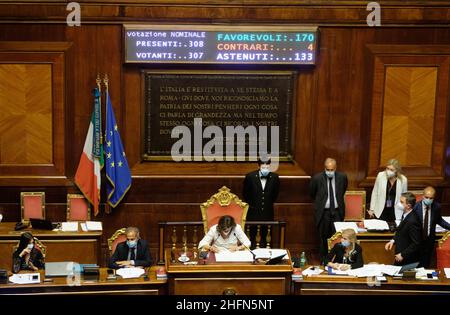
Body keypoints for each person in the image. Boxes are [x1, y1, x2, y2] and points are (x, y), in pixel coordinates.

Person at [310, 158, 348, 263]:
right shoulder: (317, 178)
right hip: (323, 212)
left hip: (337, 211)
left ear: (335, 168)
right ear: (324, 168)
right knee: (323, 237)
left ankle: (336, 259)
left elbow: (343, 190)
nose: (329, 172)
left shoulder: (342, 177)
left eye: (332, 170)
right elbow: (312, 193)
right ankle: (324, 260)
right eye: (327, 169)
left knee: (337, 236)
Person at [243, 158, 280, 248]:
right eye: (263, 167)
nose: (265, 169)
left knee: (266, 237)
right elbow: (245, 194)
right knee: (251, 236)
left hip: (268, 212)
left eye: (267, 167)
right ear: (258, 166)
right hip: (253, 213)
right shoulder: (250, 176)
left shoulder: (274, 177)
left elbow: (275, 194)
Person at [413, 186, 450, 268]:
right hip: (416, 240)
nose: (428, 200)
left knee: (426, 264)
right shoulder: (415, 207)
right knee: (415, 264)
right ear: (423, 196)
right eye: (426, 197)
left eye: (431, 198)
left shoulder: (437, 207)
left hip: (429, 240)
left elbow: (439, 220)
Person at [385, 192, 422, 265]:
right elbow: (400, 231)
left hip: (407, 259)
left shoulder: (413, 220)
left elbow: (416, 243)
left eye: (401, 202)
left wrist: (402, 254)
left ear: (408, 206)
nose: (399, 203)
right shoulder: (406, 214)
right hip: (400, 255)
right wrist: (392, 241)